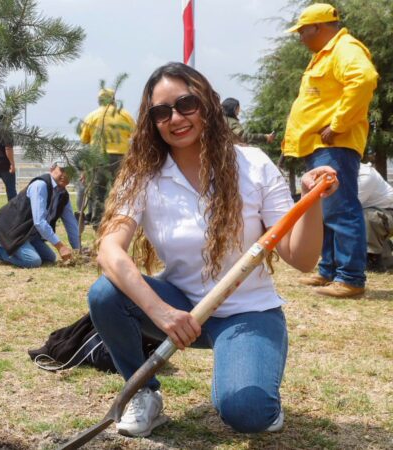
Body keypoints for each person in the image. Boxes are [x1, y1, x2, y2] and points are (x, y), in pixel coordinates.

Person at [88, 62, 338, 438]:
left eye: (186, 103)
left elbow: (301, 260)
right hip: (181, 308)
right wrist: (162, 311)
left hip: (248, 313)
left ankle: (255, 379)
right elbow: (109, 249)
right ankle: (143, 394)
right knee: (106, 294)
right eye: (161, 112)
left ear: (206, 103)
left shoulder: (252, 164)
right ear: (151, 121)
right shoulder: (143, 174)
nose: (176, 118)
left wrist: (310, 202)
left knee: (248, 415)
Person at [283, 3, 378, 298]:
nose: (300, 37)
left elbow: (363, 79)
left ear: (318, 27)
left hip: (334, 143)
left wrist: (338, 124)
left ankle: (350, 278)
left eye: (302, 31)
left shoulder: (345, 48)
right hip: (321, 144)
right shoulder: (326, 54)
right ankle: (329, 271)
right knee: (325, 210)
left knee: (341, 208)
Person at [0, 160, 80, 268]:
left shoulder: (63, 195)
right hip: (7, 229)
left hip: (27, 233)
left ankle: (8, 247)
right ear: (52, 169)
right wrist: (60, 246)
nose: (66, 175)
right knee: (33, 261)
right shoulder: (40, 185)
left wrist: (77, 250)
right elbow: (39, 222)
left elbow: (71, 224)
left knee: (50, 258)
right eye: (62, 170)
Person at [79, 88, 136, 228]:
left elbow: (84, 139)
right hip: (121, 157)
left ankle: (97, 222)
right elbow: (135, 135)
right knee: (120, 190)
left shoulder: (92, 116)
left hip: (99, 157)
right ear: (113, 99)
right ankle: (119, 220)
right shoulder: (126, 115)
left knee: (98, 190)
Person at [358, 162, 393, 272]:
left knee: (367, 216)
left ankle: (373, 258)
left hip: (387, 213)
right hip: (379, 216)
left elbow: (349, 206)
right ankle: (384, 249)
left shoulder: (364, 174)